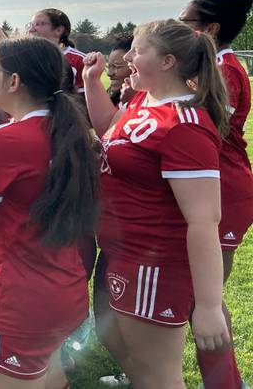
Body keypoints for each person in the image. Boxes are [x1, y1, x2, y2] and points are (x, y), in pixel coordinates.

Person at [0, 36, 99, 388]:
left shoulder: (5, 139)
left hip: (18, 302)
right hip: (64, 290)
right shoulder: (69, 130)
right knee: (52, 377)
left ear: (14, 82)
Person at [83, 20, 231, 387]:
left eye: (137, 50)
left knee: (159, 376)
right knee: (116, 343)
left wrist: (210, 307)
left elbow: (203, 220)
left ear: (167, 61)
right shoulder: (141, 100)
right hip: (119, 252)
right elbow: (109, 128)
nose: (127, 57)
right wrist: (90, 82)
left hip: (154, 265)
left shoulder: (184, 125)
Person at [179, 0, 253, 389]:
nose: (178, 27)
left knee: (203, 297)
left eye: (186, 21)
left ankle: (226, 383)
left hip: (224, 192)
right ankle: (153, 363)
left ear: (210, 29)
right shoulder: (210, 65)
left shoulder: (222, 70)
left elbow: (201, 129)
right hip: (211, 188)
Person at [105, 35, 134, 107]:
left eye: (116, 66)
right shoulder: (110, 100)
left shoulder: (149, 103)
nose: (109, 73)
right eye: (109, 67)